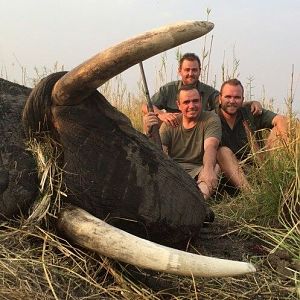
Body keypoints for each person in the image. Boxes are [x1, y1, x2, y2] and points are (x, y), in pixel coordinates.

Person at [142, 52, 262, 128]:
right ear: (179, 71)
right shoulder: (168, 89)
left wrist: (251, 103)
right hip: (174, 128)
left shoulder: (209, 91)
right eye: (187, 70)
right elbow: (146, 106)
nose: (190, 73)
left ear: (200, 71)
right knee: (150, 120)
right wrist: (162, 114)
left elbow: (226, 103)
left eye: (194, 70)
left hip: (198, 131)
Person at [144, 85, 221, 200]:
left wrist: (208, 170)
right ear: (178, 105)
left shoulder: (211, 118)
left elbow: (210, 146)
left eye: (195, 101)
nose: (192, 106)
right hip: (174, 170)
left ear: (201, 101)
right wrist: (148, 131)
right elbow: (160, 152)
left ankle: (198, 202)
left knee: (215, 168)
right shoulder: (169, 123)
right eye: (186, 102)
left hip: (198, 169)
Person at [216, 78, 288, 191]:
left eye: (237, 97)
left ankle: (275, 178)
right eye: (228, 97)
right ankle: (251, 196)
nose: (232, 101)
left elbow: (281, 119)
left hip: (255, 169)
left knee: (278, 130)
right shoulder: (211, 118)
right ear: (220, 99)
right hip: (226, 175)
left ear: (243, 99)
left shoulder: (250, 112)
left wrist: (276, 153)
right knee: (222, 152)